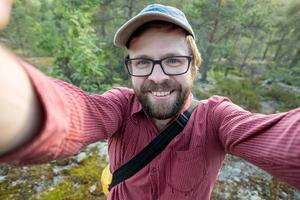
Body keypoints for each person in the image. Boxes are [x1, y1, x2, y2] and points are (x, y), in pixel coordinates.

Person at [0, 3, 299, 200]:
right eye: (142, 62)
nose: (157, 77)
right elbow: (75, 114)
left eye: (172, 60)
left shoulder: (216, 118)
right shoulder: (118, 106)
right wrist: (12, 99)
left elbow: (277, 136)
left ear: (194, 66)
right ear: (130, 68)